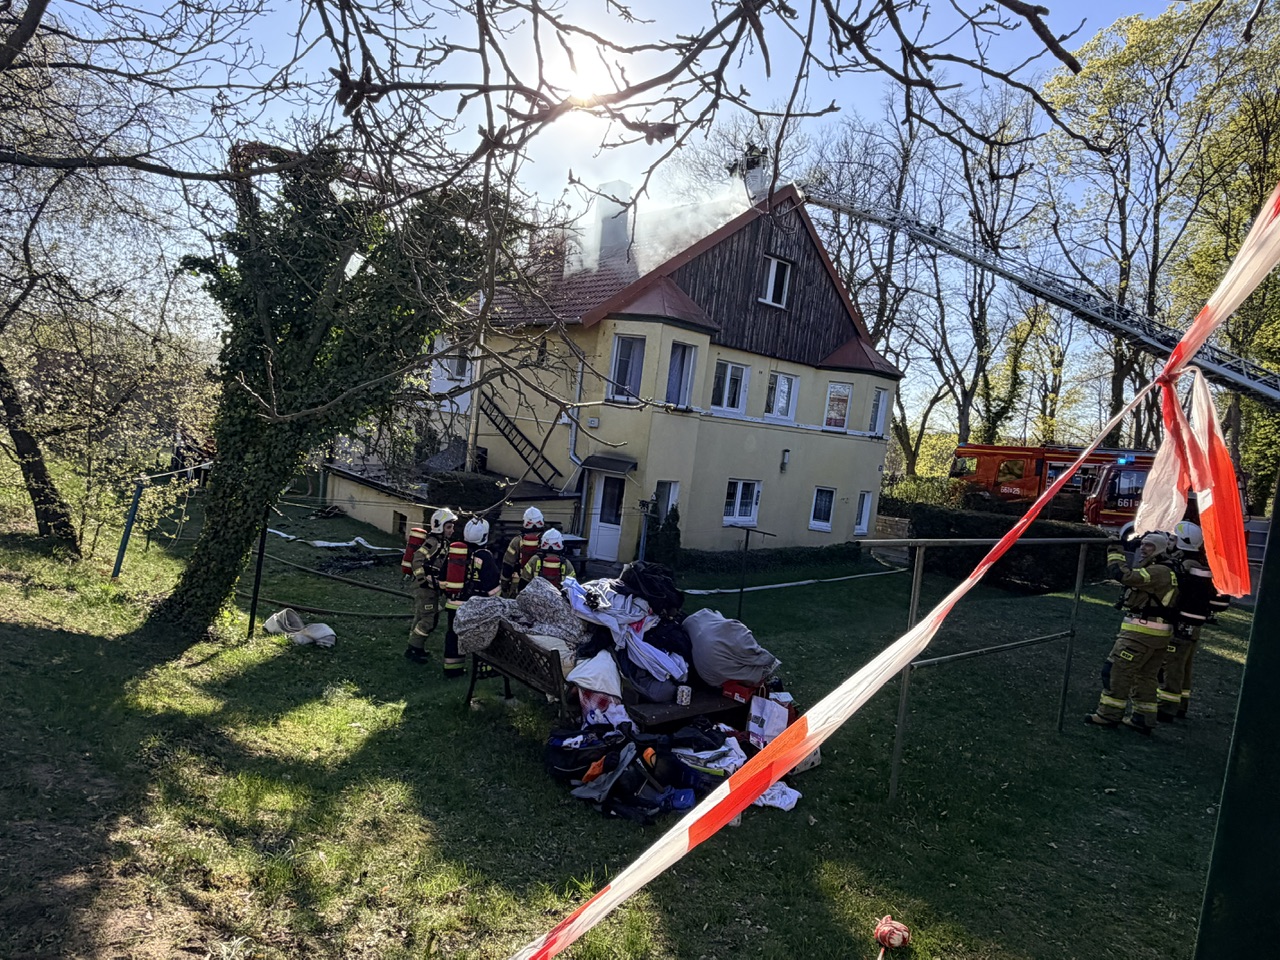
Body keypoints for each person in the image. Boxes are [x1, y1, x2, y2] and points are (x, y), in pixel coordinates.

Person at [1086, 531, 1180, 735]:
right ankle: (1143, 718)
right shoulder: (1165, 569)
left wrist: (1115, 549)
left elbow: (1125, 576)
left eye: (1149, 546)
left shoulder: (1157, 571)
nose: (1143, 549)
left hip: (1141, 634)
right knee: (1145, 676)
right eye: (1142, 544)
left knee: (1116, 671)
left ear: (1159, 549)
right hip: (1158, 634)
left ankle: (1108, 714)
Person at [1157, 520, 1216, 722]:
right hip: (1193, 627)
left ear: (1181, 542)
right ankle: (1181, 704)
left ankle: (1167, 707)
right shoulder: (1198, 565)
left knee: (1172, 665)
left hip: (1180, 626)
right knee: (1185, 666)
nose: (1170, 543)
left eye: (1173, 539)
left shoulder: (1183, 567)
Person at [437, 516, 501, 680]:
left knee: (453, 635)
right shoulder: (484, 556)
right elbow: (493, 586)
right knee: (484, 635)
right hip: (477, 607)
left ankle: (452, 669)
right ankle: (485, 668)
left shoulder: (455, 553)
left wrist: (451, 593)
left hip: (454, 605)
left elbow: (442, 580)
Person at [405, 507, 456, 665]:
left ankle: (416, 646)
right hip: (424, 588)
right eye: (449, 527)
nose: (452, 530)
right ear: (440, 527)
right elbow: (417, 560)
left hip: (432, 587)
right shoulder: (432, 543)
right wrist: (423, 580)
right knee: (429, 619)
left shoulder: (443, 543)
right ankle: (413, 649)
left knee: (421, 616)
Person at [501, 506, 545, 596]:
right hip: (543, 587)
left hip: (518, 586)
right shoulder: (547, 541)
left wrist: (504, 585)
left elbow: (508, 565)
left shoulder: (517, 541)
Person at [516, 528, 577, 592]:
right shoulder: (566, 563)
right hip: (559, 597)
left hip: (536, 596)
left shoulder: (535, 560)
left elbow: (524, 581)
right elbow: (573, 586)